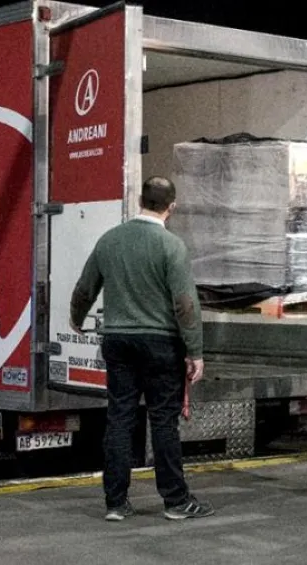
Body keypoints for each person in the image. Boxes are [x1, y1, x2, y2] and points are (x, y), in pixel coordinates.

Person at [70, 177, 213, 522]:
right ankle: (176, 501)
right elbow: (184, 303)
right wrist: (195, 351)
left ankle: (116, 503)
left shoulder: (110, 240)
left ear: (140, 201)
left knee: (120, 418)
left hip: (118, 341)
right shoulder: (171, 246)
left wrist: (76, 318)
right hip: (160, 343)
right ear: (171, 206)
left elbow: (85, 287)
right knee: (163, 421)